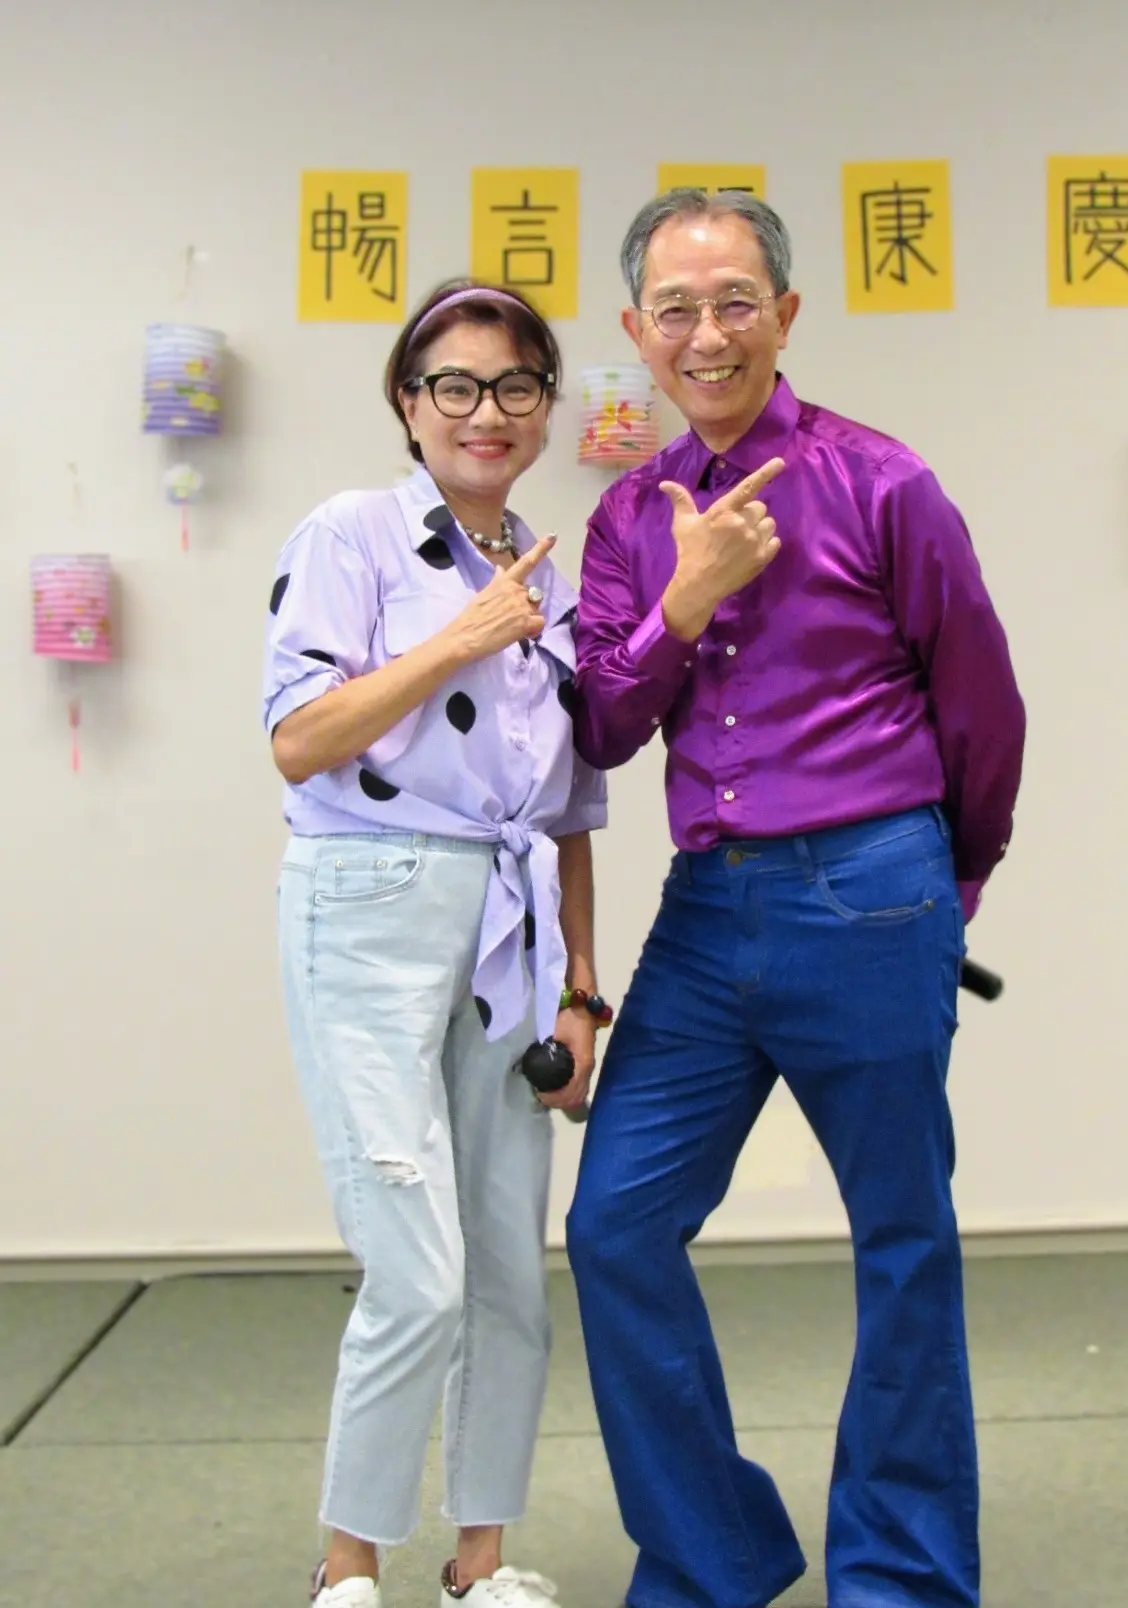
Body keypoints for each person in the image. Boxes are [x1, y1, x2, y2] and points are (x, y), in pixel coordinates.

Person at [565, 190, 1026, 1608]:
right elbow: (599, 728)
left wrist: (945, 887)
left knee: (904, 1240)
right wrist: (682, 602)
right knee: (614, 1228)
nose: (708, 335)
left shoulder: (882, 481)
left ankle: (898, 1574)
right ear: (638, 332)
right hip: (704, 913)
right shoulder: (630, 517)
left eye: (736, 301)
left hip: (871, 890)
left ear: (786, 315)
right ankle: (716, 1552)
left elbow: (983, 706)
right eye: (678, 309)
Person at [264, 278, 609, 1608]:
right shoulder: (350, 534)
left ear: (542, 411)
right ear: (409, 407)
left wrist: (584, 992)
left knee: (511, 1260)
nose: (485, 411)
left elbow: (571, 811)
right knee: (416, 1264)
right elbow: (298, 741)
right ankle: (347, 1564)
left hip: (514, 931)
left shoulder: (549, 572)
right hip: (368, 904)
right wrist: (460, 638)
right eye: (453, 386)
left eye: (515, 386)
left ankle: (482, 1557)